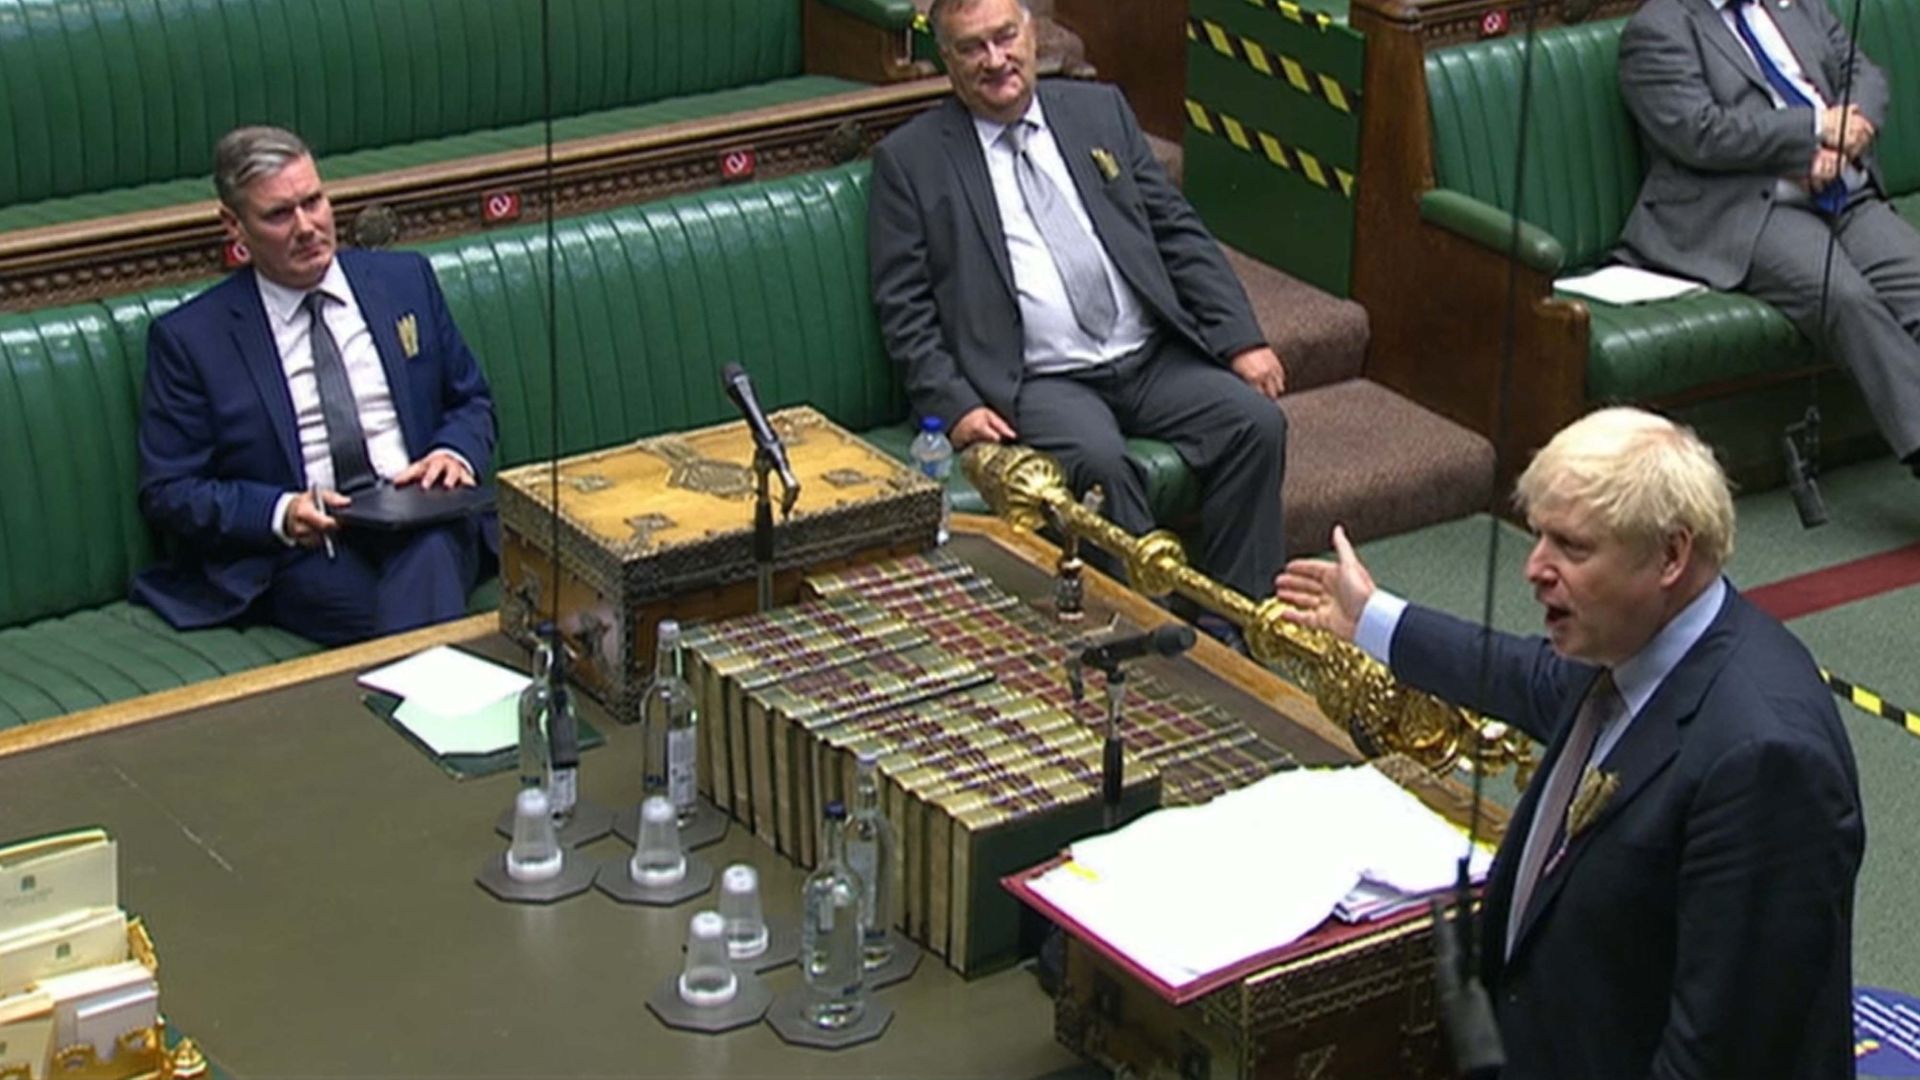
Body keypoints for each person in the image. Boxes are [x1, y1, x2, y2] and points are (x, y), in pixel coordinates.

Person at [1274, 407, 1861, 1078]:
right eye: (1537, 536)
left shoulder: (1764, 760)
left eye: (1572, 547)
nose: (1534, 568)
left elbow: (1719, 1057)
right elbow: (1525, 677)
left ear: (1671, 555)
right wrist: (1372, 619)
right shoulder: (1629, 649)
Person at [868, 0, 1289, 611]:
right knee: (1099, 463)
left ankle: (1234, 620)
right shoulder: (912, 160)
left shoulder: (1099, 111)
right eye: (971, 48)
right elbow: (903, 307)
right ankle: (1157, 634)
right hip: (1040, 378)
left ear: (1031, 33)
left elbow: (1176, 231)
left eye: (1005, 37)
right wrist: (953, 404)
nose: (996, 60)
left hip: (1147, 356)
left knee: (1256, 424)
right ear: (946, 60)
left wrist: (1240, 338)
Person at [134, 126, 496, 646]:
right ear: (233, 226)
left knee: (432, 550)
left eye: (314, 201)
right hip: (306, 551)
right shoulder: (192, 339)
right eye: (279, 214)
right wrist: (281, 512)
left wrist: (451, 454)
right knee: (405, 601)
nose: (306, 227)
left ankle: (426, 700)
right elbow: (169, 490)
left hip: (422, 515)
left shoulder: (404, 281)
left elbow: (470, 399)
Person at [1617, 0, 1920, 474]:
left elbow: (1861, 71)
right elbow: (1700, 132)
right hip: (1751, 210)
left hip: (1846, 192)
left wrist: (1851, 134)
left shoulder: (1797, 5)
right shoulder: (1659, 28)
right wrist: (1813, 132)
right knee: (1846, 298)